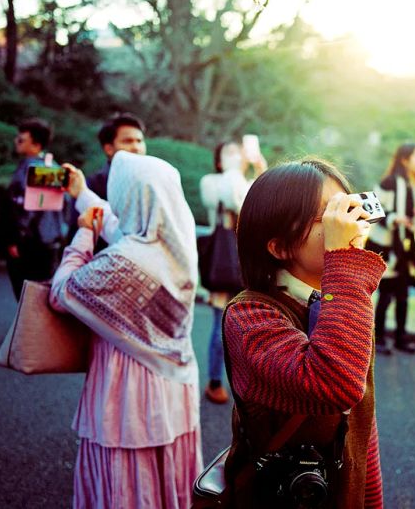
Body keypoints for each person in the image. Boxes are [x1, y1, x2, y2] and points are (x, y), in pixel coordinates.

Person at [221, 158, 385, 508]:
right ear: (279, 247)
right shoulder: (249, 317)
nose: (349, 222)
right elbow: (334, 384)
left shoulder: (345, 303)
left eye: (348, 207)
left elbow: (359, 428)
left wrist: (370, 500)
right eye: (329, 216)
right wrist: (344, 261)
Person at [50, 151, 202, 508]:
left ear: (130, 197)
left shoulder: (126, 259)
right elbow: (122, 228)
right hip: (174, 383)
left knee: (126, 479)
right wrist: (82, 193)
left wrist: (84, 233)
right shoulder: (176, 242)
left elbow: (63, 292)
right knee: (165, 475)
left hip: (128, 389)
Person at [199, 139, 266, 404]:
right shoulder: (212, 182)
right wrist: (234, 170)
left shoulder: (244, 180)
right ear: (218, 160)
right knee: (220, 326)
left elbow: (263, 208)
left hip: (247, 260)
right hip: (223, 260)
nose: (236, 156)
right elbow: (233, 202)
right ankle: (215, 381)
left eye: (238, 152)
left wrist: (260, 171)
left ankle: (245, 382)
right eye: (228, 153)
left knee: (250, 324)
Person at [367, 143, 415, 354]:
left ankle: (401, 337)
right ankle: (380, 338)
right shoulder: (389, 182)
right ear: (405, 159)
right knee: (386, 294)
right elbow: (371, 210)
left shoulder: (412, 184)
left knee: (402, 294)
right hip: (384, 247)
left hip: (403, 248)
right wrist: (394, 218)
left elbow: (409, 225)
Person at [4, 118, 65, 300]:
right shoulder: (54, 169)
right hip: (51, 243)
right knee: (41, 295)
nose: (16, 142)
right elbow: (64, 208)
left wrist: (15, 238)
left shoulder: (28, 169)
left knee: (25, 296)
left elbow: (23, 209)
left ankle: (27, 329)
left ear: (36, 144)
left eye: (21, 139)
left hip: (28, 244)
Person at [69, 113, 147, 252]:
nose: (136, 147)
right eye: (128, 141)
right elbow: (79, 233)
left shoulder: (151, 183)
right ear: (109, 148)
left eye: (139, 141)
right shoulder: (92, 185)